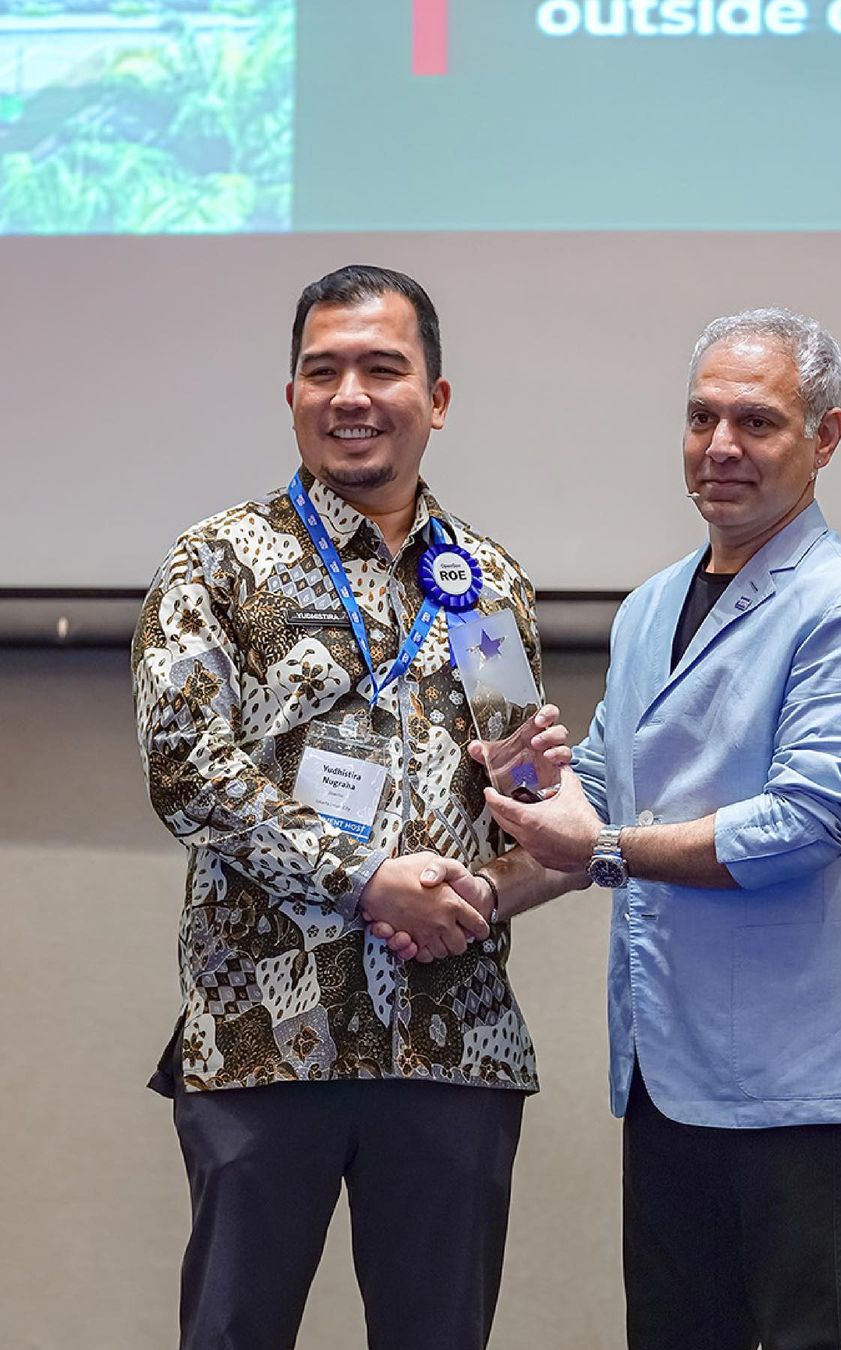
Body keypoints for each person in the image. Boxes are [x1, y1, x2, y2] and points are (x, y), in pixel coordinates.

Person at [440, 308, 841, 1350]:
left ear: (825, 439)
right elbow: (600, 799)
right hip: (662, 1072)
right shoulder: (653, 605)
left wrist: (598, 848)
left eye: (757, 423)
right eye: (702, 417)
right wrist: (480, 889)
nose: (720, 448)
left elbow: (800, 829)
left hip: (793, 1090)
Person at [131, 264, 570, 1350]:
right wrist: (366, 877)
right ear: (291, 394)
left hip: (451, 1044)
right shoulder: (215, 563)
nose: (351, 394)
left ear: (438, 396)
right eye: (322, 371)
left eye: (383, 367)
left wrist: (527, 808)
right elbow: (187, 771)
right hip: (267, 1035)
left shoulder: (488, 584)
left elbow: (517, 797)